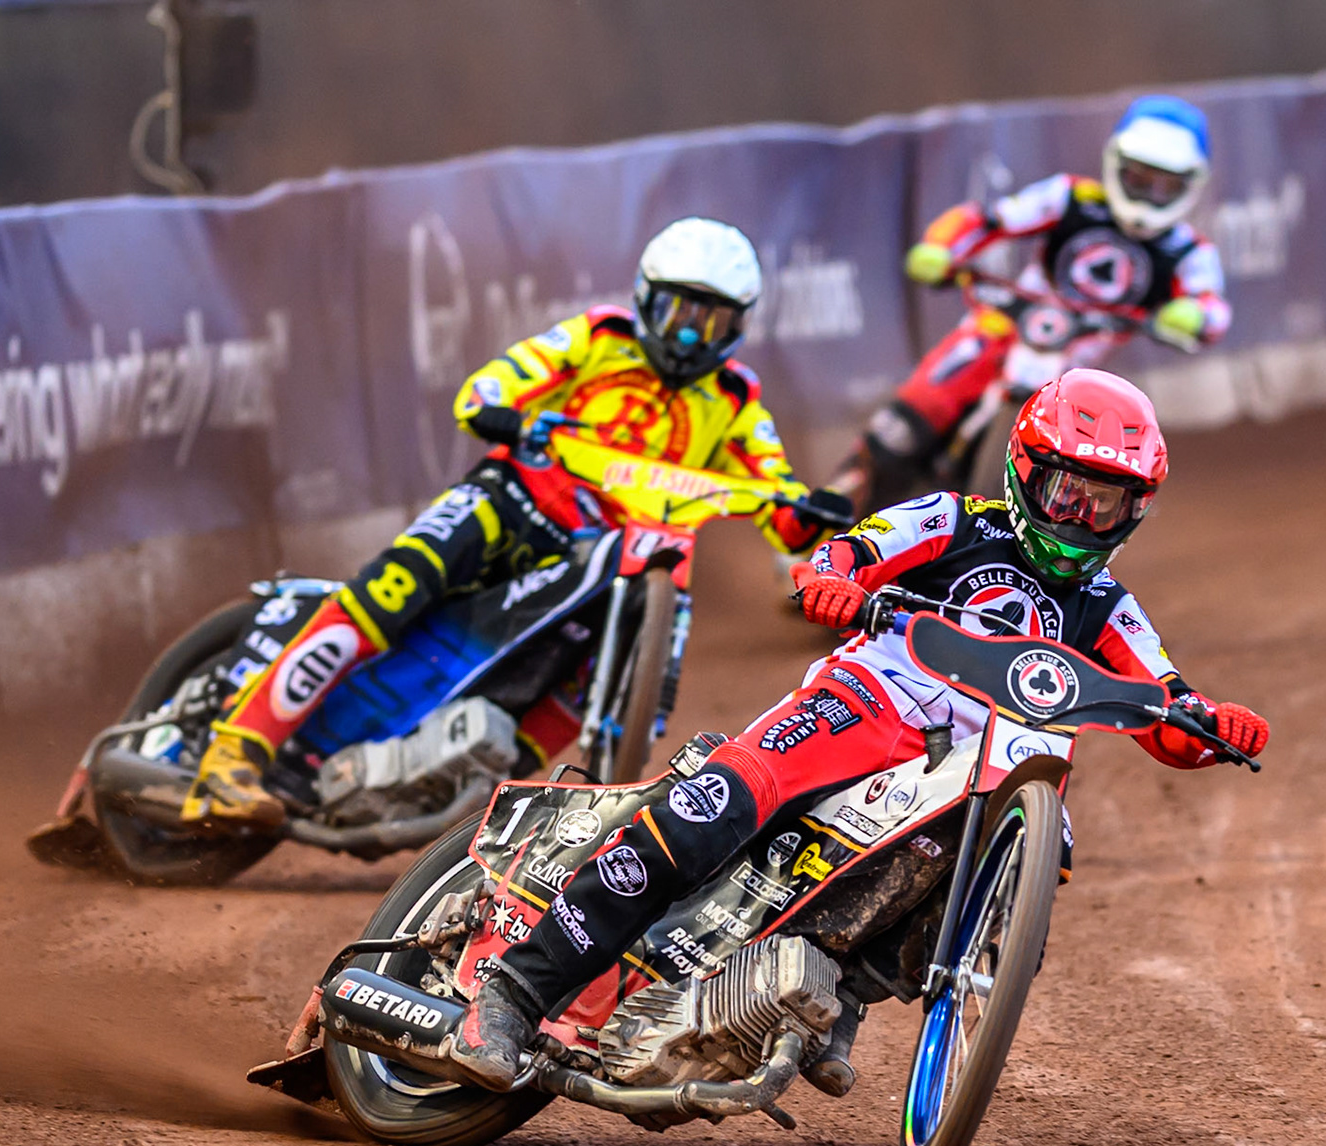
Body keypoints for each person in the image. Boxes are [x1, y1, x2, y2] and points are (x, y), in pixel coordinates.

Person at [447, 368, 1270, 1089]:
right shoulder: (957, 517)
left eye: (1108, 503)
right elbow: (847, 553)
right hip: (872, 705)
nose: (1082, 519)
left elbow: (1168, 706)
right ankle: (512, 990)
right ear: (1025, 470)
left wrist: (1211, 724)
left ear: (1137, 511)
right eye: (1068, 493)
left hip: (981, 767)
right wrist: (833, 582)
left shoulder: (1112, 609)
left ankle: (838, 988)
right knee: (721, 801)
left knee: (1034, 855)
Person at [182, 218, 845, 827]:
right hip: (516, 502)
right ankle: (234, 755)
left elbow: (778, 498)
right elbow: (488, 388)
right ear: (645, 298)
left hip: (603, 559)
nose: (690, 335)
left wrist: (810, 513)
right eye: (678, 312)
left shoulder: (733, 400)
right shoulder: (597, 337)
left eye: (712, 321)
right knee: (391, 589)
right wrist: (504, 412)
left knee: (579, 685)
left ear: (740, 327)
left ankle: (462, 791)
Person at [826, 94, 1232, 517]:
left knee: (1069, 472)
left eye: (1167, 184)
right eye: (1140, 178)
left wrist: (1194, 316)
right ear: (1116, 165)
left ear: (1190, 185)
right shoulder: (1072, 197)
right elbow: (989, 218)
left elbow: (1214, 309)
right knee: (909, 419)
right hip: (1002, 327)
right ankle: (826, 514)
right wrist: (941, 248)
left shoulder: (1187, 250)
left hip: (1074, 373)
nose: (1150, 193)